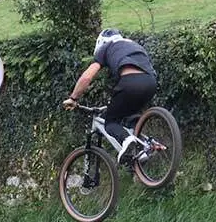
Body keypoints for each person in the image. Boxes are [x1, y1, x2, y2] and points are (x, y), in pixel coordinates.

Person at [63, 28, 158, 162]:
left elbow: (86, 77)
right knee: (130, 117)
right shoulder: (133, 45)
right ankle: (143, 148)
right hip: (151, 83)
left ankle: (127, 140)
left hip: (130, 83)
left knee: (111, 122)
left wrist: (73, 98)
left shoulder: (106, 47)